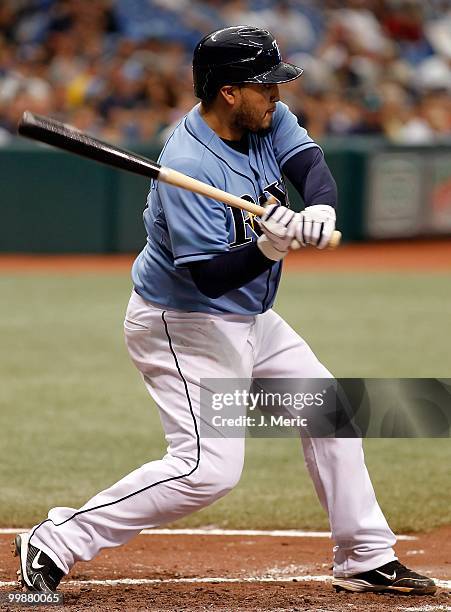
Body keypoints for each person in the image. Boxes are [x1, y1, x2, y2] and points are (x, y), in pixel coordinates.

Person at [15, 26, 435, 597]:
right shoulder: (187, 164)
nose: (278, 96)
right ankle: (56, 539)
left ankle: (364, 555)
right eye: (266, 87)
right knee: (207, 471)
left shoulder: (265, 118)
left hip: (253, 316)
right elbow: (208, 279)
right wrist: (268, 246)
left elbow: (313, 168)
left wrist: (321, 211)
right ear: (229, 92)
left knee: (333, 413)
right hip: (183, 324)